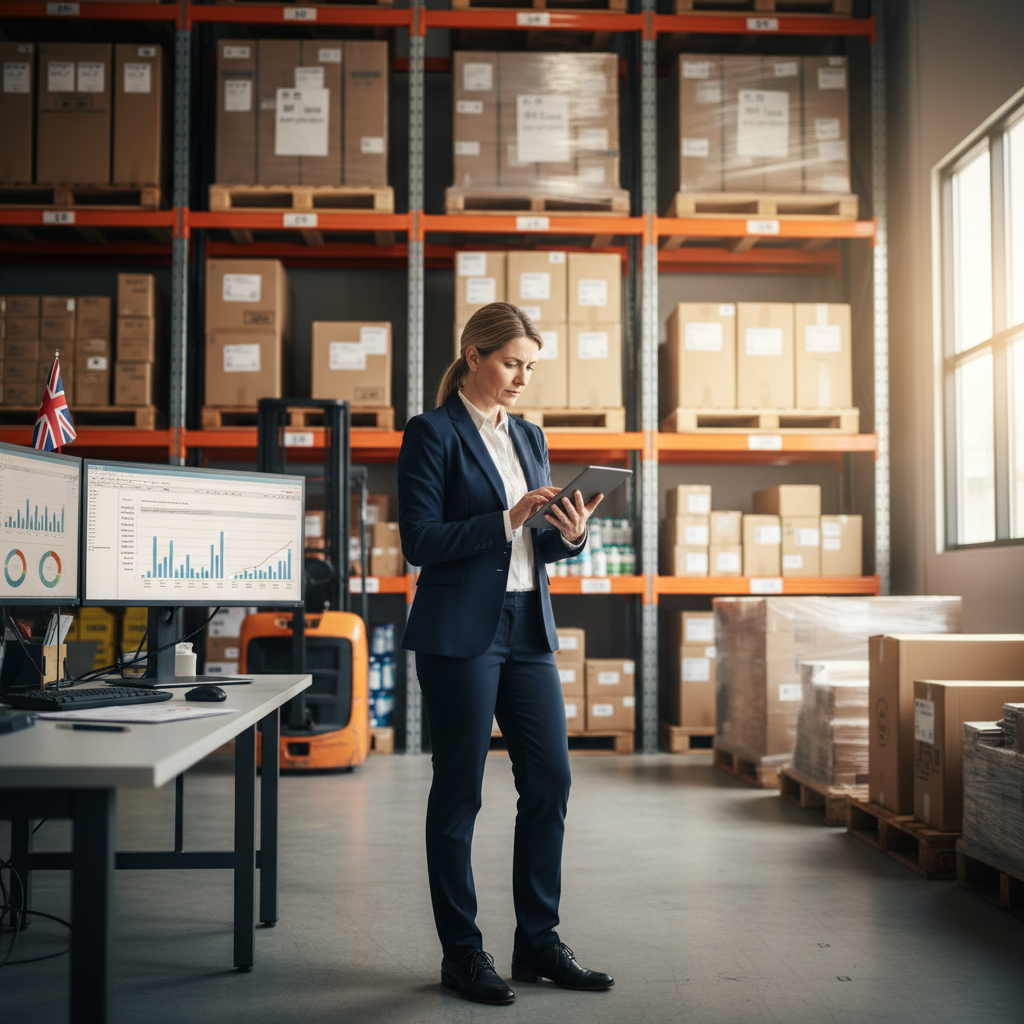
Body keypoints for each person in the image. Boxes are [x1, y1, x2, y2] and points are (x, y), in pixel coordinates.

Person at [397, 302, 614, 1005]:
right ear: (474, 357)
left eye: (530, 367)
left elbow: (535, 546)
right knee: (459, 791)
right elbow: (419, 541)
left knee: (550, 782)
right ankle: (462, 953)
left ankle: (538, 943)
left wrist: (570, 533)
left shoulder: (529, 435)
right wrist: (506, 518)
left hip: (527, 629)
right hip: (460, 632)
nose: (522, 377)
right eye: (512, 363)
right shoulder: (432, 432)